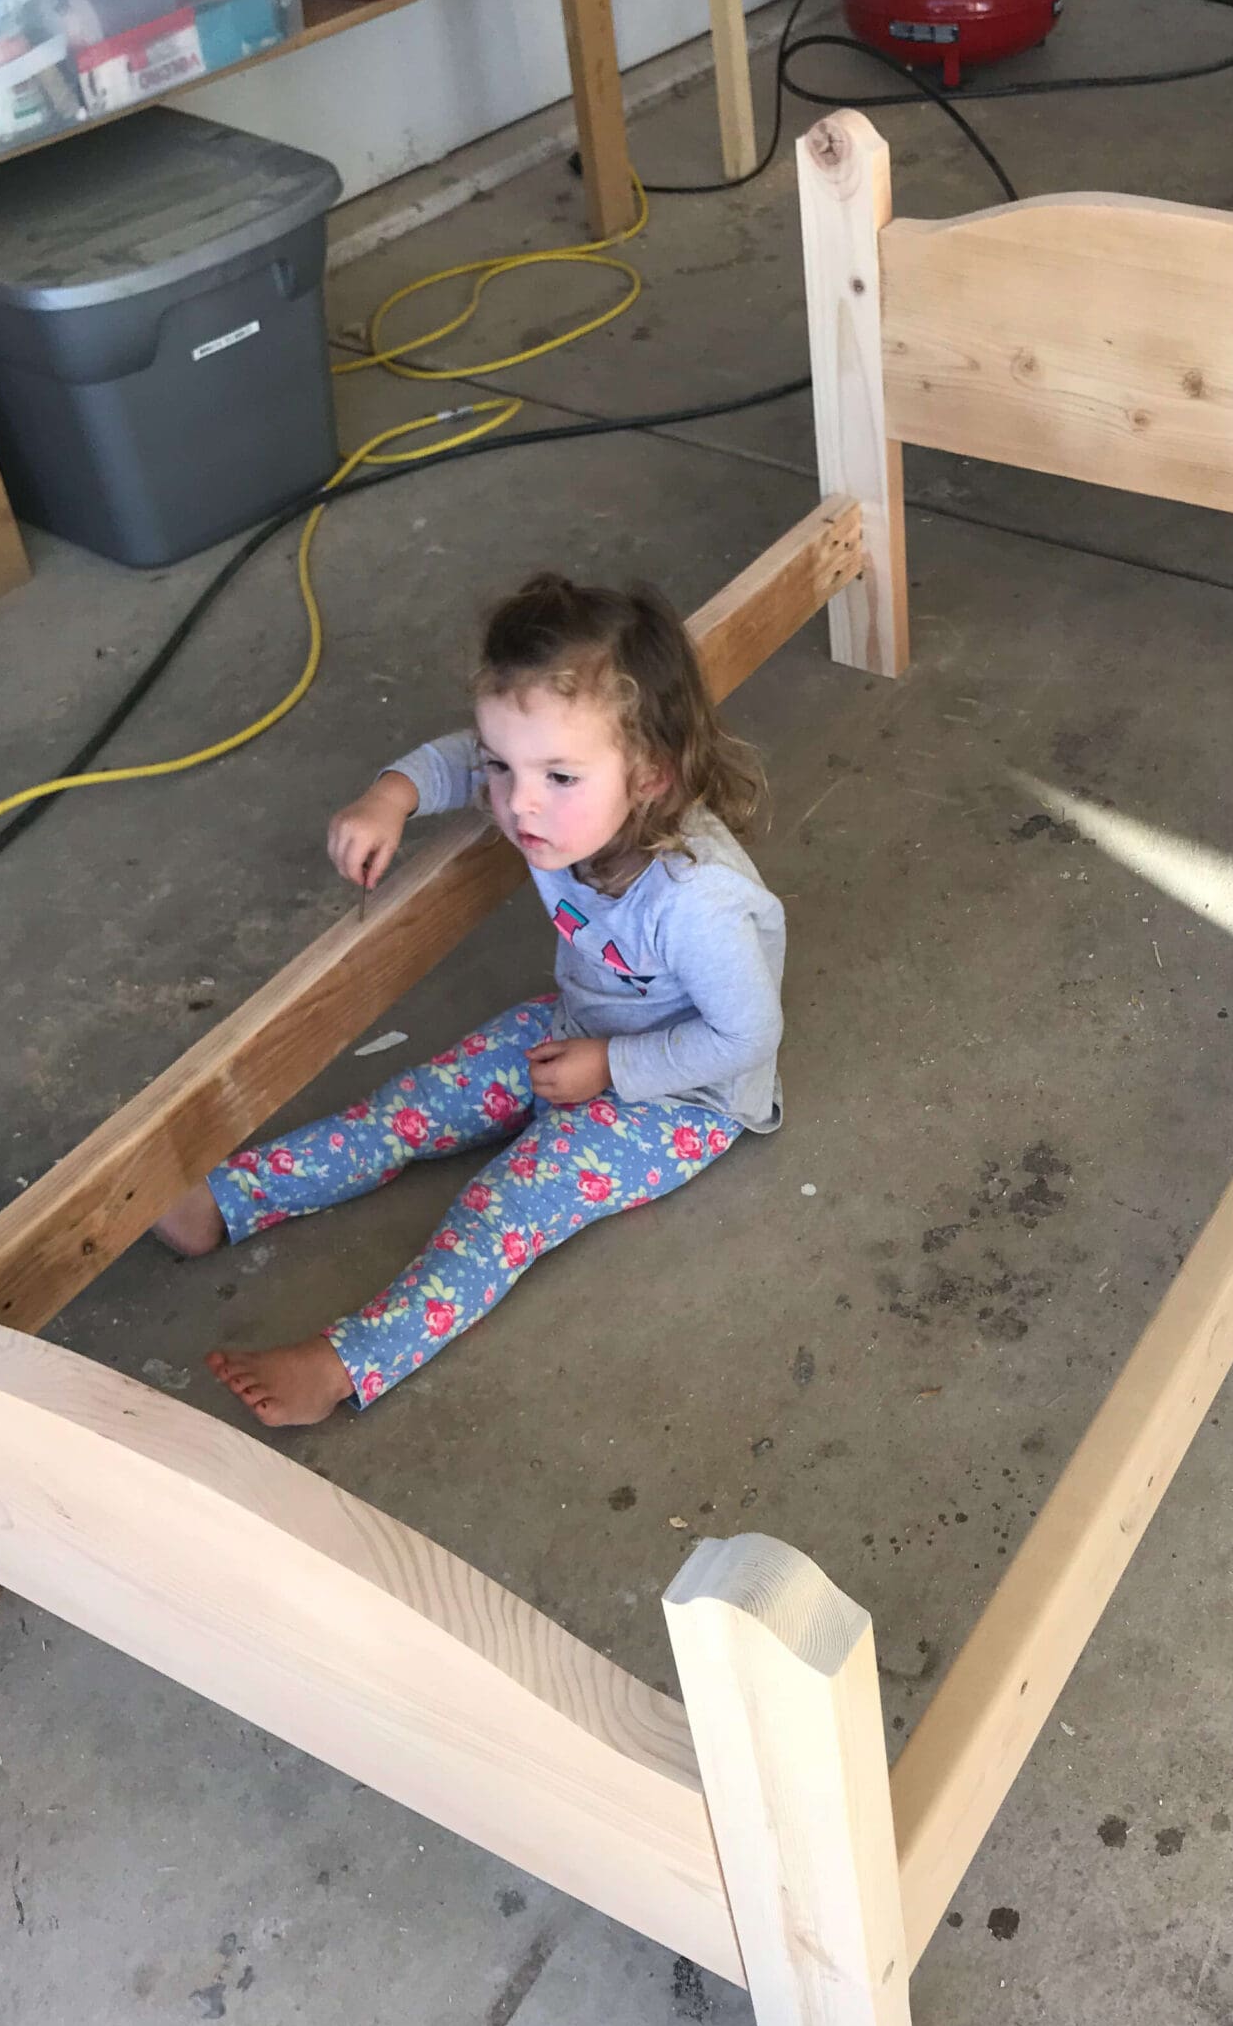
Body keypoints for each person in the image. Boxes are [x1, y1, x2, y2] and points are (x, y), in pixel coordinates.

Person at [153, 576, 784, 1427]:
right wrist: (392, 796)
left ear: (649, 776)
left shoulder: (698, 904)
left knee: (504, 1205)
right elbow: (460, 754)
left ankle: (346, 1362)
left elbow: (746, 1033)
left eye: (557, 774)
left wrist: (612, 1067)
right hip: (579, 1027)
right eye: (503, 766)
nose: (517, 801)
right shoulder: (552, 803)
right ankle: (223, 1203)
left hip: (679, 1098)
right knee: (408, 1106)